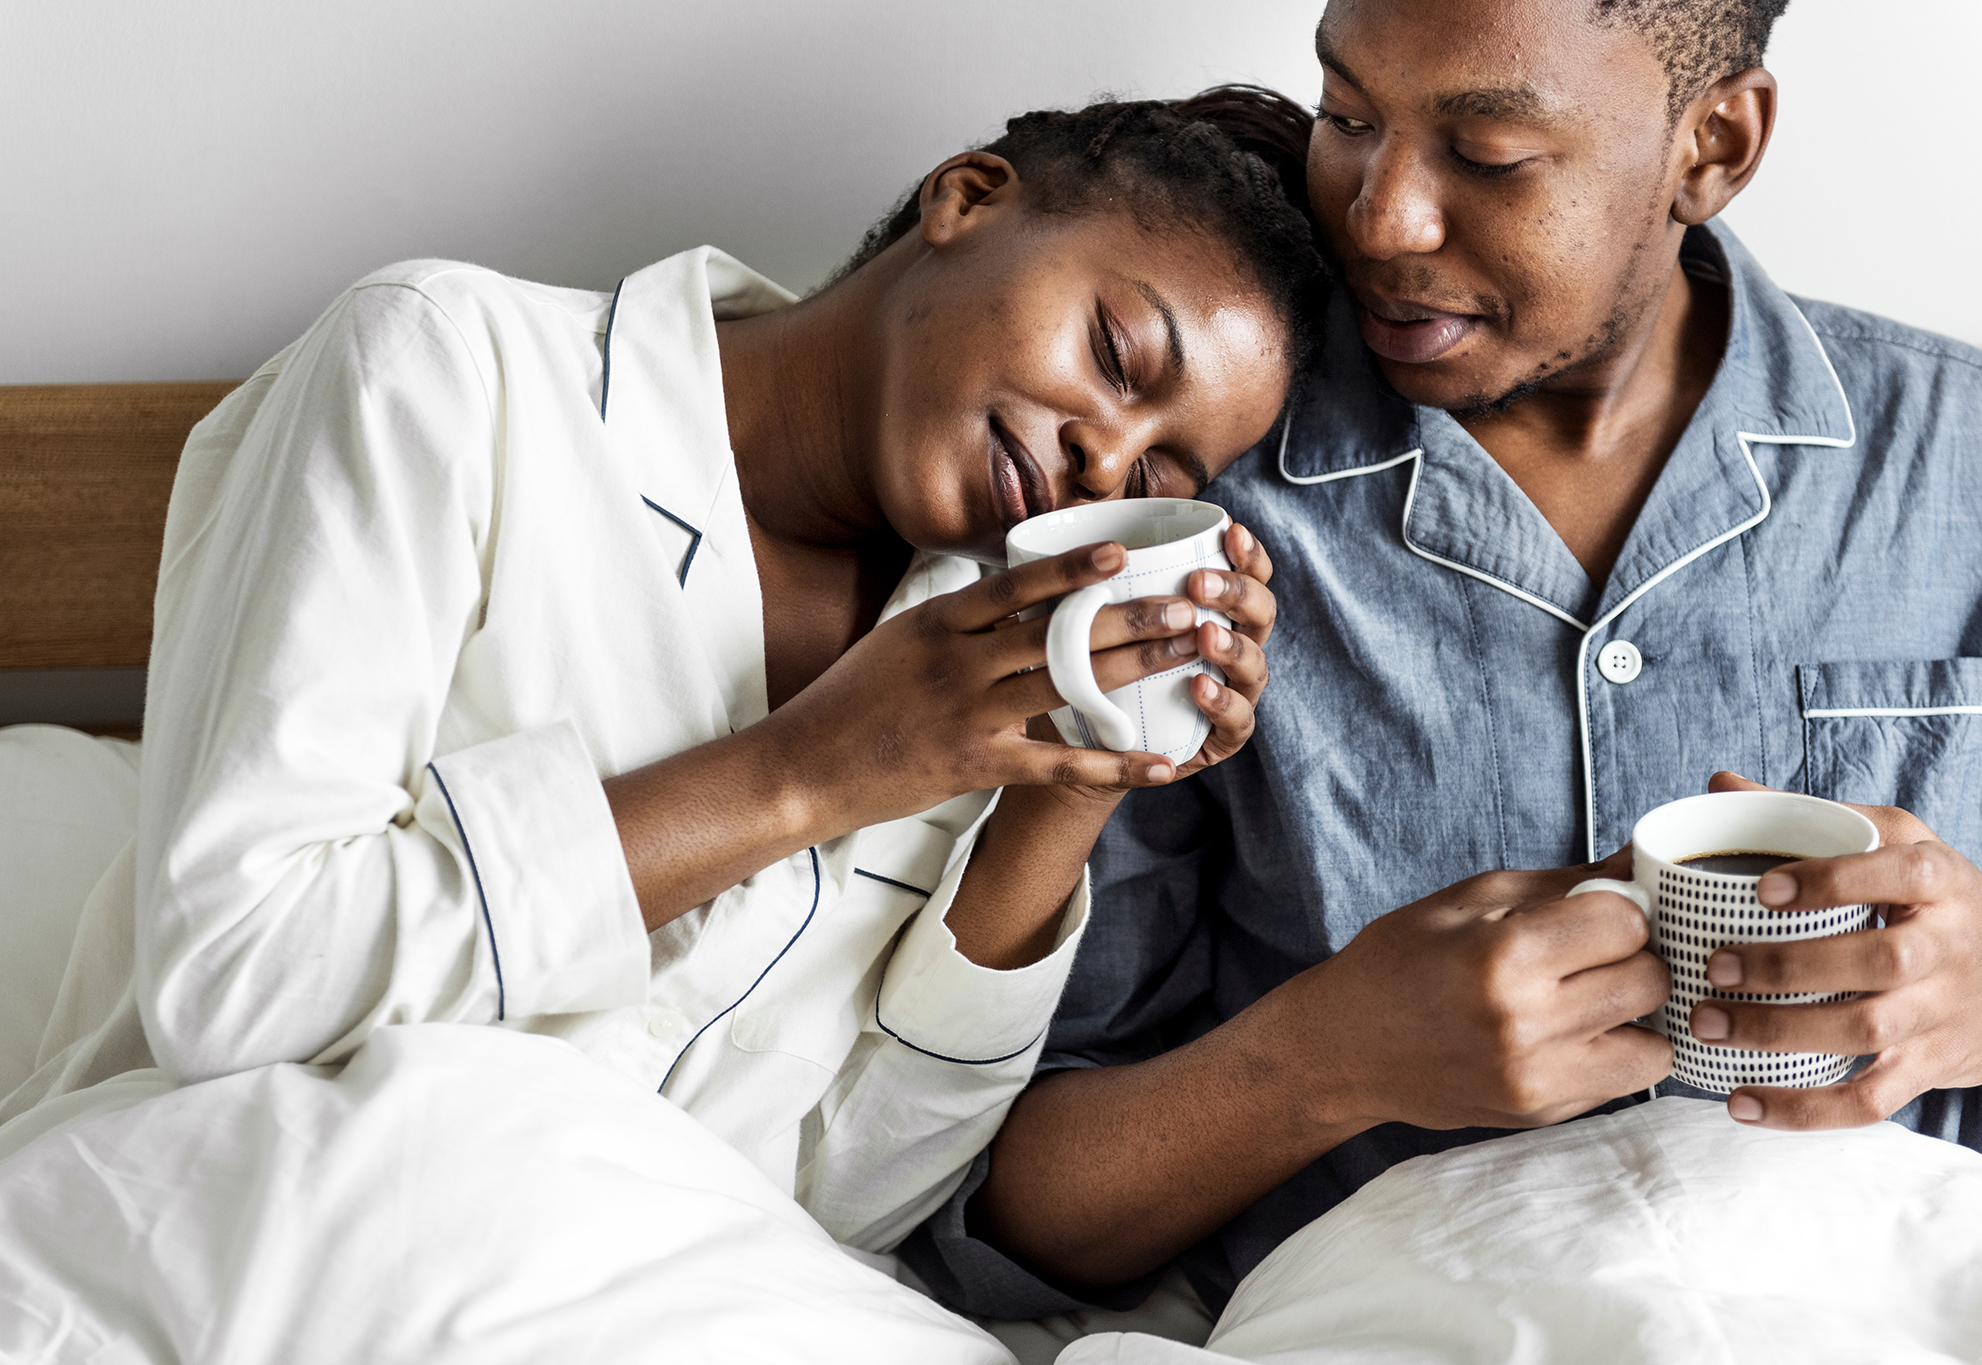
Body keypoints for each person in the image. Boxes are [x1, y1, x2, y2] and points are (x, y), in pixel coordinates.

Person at [0, 89, 1333, 1253]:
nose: (1108, 462)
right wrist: (808, 771)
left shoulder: (977, 660)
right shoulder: (452, 372)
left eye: (1163, 472)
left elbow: (854, 1203)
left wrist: (1063, 795)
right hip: (268, 1220)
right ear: (968, 197)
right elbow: (239, 974)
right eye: (1115, 352)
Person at [904, 0, 1982, 1318]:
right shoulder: (1189, 502)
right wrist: (1321, 1063)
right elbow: (1008, 1210)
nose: (1379, 220)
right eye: (1348, 119)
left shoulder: (1968, 457)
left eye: (1485, 154)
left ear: (1712, 144)